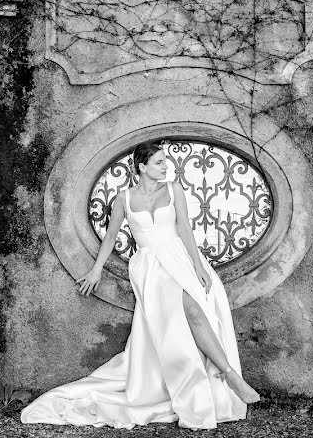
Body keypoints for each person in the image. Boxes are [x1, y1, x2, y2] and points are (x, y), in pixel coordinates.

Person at [20, 141, 260, 430]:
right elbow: (110, 237)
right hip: (149, 266)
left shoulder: (174, 190)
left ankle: (228, 377)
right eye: (159, 162)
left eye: (165, 162)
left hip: (180, 259)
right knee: (186, 316)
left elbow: (184, 227)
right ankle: (227, 377)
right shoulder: (123, 198)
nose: (165, 166)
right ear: (142, 167)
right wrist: (96, 269)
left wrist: (198, 266)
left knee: (196, 315)